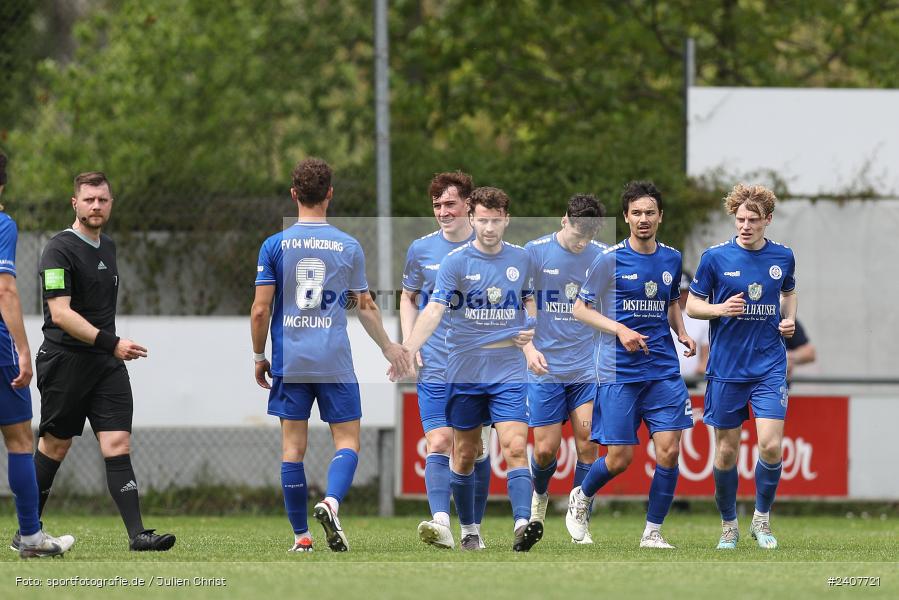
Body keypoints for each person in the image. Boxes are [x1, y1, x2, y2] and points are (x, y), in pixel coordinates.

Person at [252, 158, 410, 552]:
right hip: (334, 359)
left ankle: (301, 537)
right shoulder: (347, 245)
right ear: (330, 194)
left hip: (290, 360)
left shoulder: (274, 245)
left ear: (293, 195)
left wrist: (259, 355)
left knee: (292, 449)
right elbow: (366, 306)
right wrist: (389, 347)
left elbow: (260, 309)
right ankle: (331, 502)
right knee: (348, 443)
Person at [25, 171, 174, 551]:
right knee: (55, 447)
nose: (96, 205)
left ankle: (139, 535)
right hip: (65, 361)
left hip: (105, 364)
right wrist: (112, 343)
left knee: (118, 443)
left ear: (110, 203)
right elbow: (60, 314)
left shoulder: (107, 245)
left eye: (102, 199)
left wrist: (109, 349)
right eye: (88, 199)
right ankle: (27, 533)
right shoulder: (58, 249)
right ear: (74, 203)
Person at [399, 186, 541, 552]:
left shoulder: (523, 259)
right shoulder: (456, 262)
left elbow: (528, 300)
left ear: (506, 219)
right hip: (464, 370)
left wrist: (530, 341)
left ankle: (523, 524)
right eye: (483, 220)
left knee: (514, 444)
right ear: (473, 219)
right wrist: (408, 347)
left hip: (507, 370)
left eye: (496, 220)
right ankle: (469, 531)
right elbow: (433, 309)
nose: (490, 227)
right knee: (464, 452)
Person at [569, 180, 696, 549]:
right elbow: (580, 308)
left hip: (662, 370)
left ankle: (652, 532)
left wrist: (683, 332)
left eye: (650, 213)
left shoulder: (671, 258)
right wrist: (620, 330)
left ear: (660, 217)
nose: (643, 219)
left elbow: (672, 303)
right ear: (626, 217)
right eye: (636, 213)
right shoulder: (608, 259)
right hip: (619, 371)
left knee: (670, 449)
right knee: (620, 458)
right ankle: (582, 497)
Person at [686, 183, 797, 550]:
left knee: (770, 445)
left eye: (753, 220)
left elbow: (789, 292)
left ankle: (761, 521)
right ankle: (729, 525)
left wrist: (789, 319)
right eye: (740, 219)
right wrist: (719, 309)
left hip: (769, 366)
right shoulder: (715, 258)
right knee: (727, 452)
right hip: (726, 368)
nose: (745, 225)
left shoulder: (783, 257)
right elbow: (692, 306)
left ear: (768, 220)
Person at [400, 172, 492, 550]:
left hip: (479, 367)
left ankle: (472, 529)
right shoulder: (420, 250)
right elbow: (407, 298)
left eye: (450, 203)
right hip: (435, 363)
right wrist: (411, 341)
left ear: (469, 204)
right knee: (438, 442)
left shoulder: (491, 247)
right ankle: (441, 523)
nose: (443, 211)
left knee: (473, 450)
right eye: (437, 205)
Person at [0, 152, 75, 558]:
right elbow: (4, 290)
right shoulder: (2, 223)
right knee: (18, 439)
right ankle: (30, 536)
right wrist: (23, 349)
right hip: (0, 350)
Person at [523, 194, 606, 544]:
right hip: (545, 368)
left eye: (588, 233)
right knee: (545, 450)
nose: (581, 239)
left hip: (587, 367)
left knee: (588, 444)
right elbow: (520, 303)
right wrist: (527, 347)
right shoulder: (535, 252)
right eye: (577, 230)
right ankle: (540, 497)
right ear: (564, 221)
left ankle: (579, 514)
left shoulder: (603, 255)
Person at [672, 271, 709, 385]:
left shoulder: (700, 316)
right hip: (668, 376)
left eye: (685, 291)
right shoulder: (665, 314)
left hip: (694, 378)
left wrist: (703, 365)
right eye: (679, 291)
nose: (682, 296)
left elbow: (705, 347)